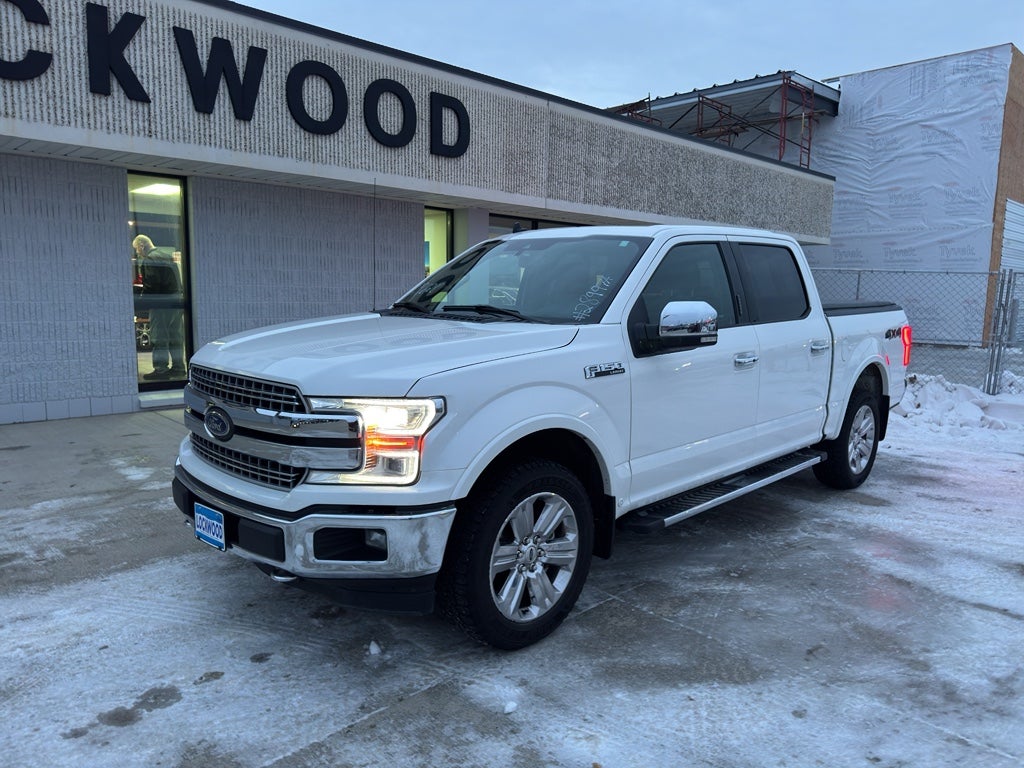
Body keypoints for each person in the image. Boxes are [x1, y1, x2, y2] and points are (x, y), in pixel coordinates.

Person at [132, 234, 186, 380]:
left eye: (137, 249)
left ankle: (161, 369)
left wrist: (142, 301)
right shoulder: (166, 256)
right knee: (176, 336)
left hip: (161, 302)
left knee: (159, 336)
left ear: (142, 245)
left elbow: (152, 285)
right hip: (176, 300)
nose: (137, 252)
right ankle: (179, 368)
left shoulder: (150, 259)